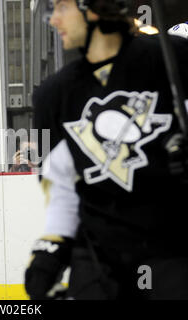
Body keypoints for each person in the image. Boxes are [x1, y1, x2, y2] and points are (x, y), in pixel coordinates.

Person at [24, 0, 188, 300]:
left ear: (93, 9)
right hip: (99, 263)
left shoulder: (171, 57)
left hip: (173, 253)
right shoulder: (54, 94)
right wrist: (52, 248)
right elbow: (62, 185)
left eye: (61, 8)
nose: (53, 20)